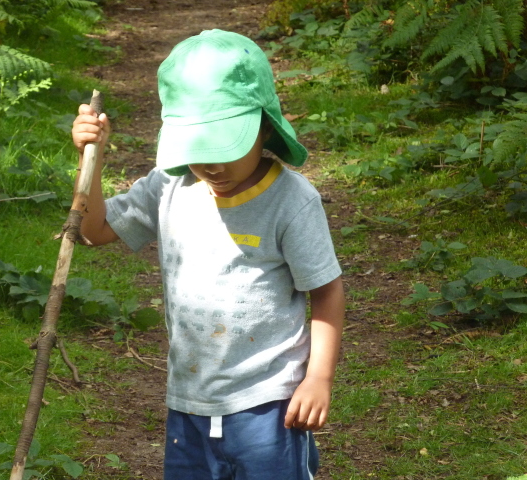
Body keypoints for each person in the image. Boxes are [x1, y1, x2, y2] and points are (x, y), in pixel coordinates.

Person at [71, 29, 345, 480]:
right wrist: (92, 159)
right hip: (189, 400)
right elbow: (92, 231)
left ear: (263, 126)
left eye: (225, 146)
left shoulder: (291, 202)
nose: (212, 164)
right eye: (197, 148)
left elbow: (326, 291)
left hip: (270, 403)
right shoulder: (169, 186)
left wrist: (318, 378)